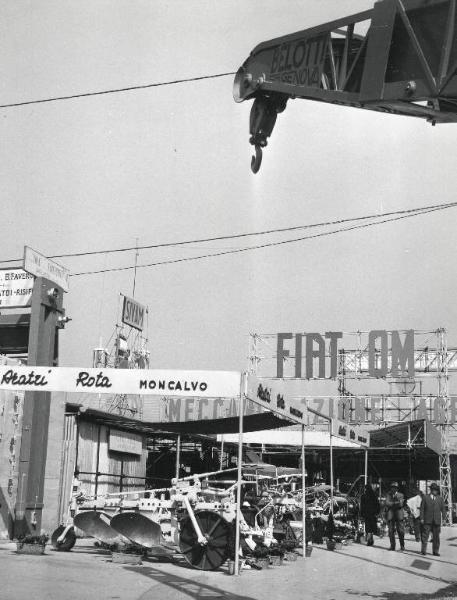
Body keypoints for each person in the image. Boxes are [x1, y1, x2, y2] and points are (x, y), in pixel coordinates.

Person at [420, 482, 446, 556]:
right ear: (431, 490)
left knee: (436, 537)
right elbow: (422, 509)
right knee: (425, 536)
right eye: (434, 489)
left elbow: (443, 509)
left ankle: (435, 551)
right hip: (427, 520)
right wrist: (422, 518)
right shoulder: (425, 497)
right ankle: (423, 550)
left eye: (436, 490)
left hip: (436, 521)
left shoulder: (440, 498)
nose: (435, 491)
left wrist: (444, 518)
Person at [385, 481, 405, 551]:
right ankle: (392, 546)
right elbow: (387, 503)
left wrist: (392, 503)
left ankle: (402, 546)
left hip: (399, 514)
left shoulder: (401, 495)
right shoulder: (388, 494)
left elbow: (401, 504)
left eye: (395, 488)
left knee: (400, 531)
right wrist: (395, 503)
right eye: (392, 487)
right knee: (390, 531)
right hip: (391, 514)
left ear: (397, 489)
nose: (393, 489)